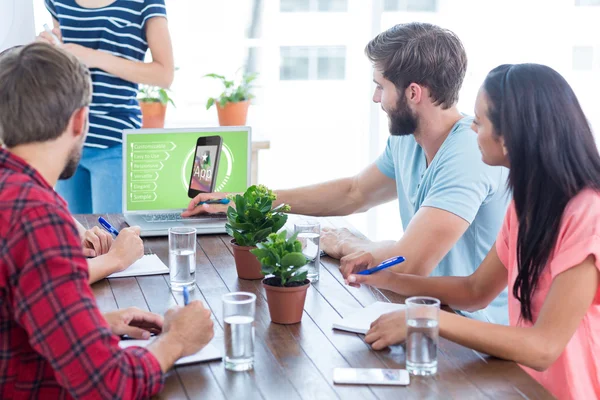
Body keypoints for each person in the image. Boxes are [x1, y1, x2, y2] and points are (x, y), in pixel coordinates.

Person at [184, 22, 510, 324]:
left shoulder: (469, 151)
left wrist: (347, 243)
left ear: (413, 93)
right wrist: (254, 199)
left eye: (381, 87)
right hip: (422, 312)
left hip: (471, 338)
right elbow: (355, 192)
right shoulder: (408, 140)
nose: (375, 98)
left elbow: (409, 264)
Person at [347, 63, 600, 400]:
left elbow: (544, 347)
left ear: (509, 137)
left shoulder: (588, 214)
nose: (470, 128)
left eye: (479, 122)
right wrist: (385, 278)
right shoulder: (526, 205)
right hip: (521, 386)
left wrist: (424, 317)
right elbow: (475, 289)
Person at [0, 43, 213, 399]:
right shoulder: (37, 217)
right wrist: (176, 340)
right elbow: (107, 385)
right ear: (80, 120)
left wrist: (90, 326)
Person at [38, 0, 174, 214]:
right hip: (67, 139)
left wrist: (93, 57)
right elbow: (64, 67)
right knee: (77, 241)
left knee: (111, 237)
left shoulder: (145, 3)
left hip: (115, 144)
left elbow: (164, 74)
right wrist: (48, 52)